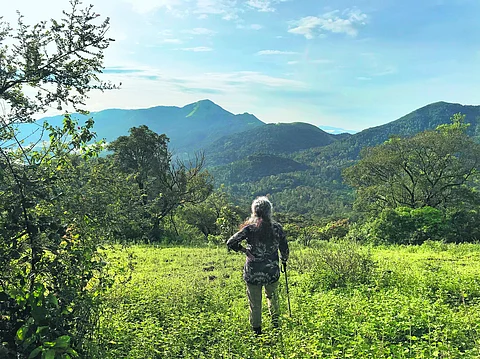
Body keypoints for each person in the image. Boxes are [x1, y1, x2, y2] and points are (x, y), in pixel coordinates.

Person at [226, 196, 289, 335]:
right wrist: (283, 260)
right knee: (273, 298)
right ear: (269, 211)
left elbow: (231, 242)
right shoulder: (277, 228)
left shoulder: (249, 229)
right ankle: (276, 326)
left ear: (254, 211)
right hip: (272, 271)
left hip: (253, 272)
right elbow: (284, 248)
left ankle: (257, 331)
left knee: (255, 303)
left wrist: (245, 251)